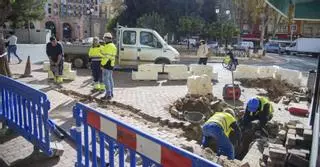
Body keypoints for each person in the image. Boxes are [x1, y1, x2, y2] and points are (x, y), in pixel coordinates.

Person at [100, 32, 117, 100]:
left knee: (106, 80)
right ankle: (111, 93)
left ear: (107, 38)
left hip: (107, 64)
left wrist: (102, 64)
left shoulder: (108, 46)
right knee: (110, 79)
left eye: (104, 38)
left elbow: (106, 56)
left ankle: (108, 94)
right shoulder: (113, 45)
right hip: (111, 64)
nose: (104, 40)